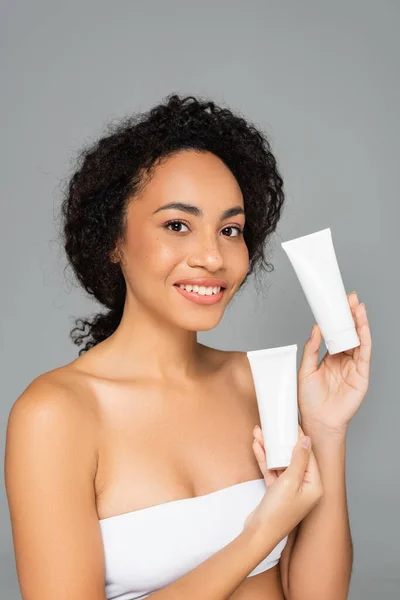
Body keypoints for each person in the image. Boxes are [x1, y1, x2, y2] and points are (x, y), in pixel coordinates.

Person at [5, 93, 371, 600]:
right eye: (177, 225)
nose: (211, 256)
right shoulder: (56, 414)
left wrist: (328, 431)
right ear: (113, 239)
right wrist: (259, 534)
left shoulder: (257, 383)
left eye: (230, 229)